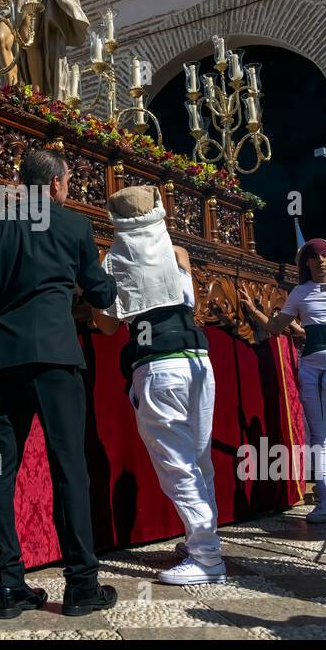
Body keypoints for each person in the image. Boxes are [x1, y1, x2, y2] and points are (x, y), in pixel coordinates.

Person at [0, 149, 118, 618]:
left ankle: (9, 587)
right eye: (68, 180)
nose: (68, 187)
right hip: (56, 357)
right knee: (69, 467)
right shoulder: (74, 227)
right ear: (53, 184)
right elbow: (102, 293)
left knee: (0, 469)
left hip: (5, 359)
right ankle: (81, 585)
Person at [92, 185, 226, 585]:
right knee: (200, 459)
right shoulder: (178, 252)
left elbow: (107, 324)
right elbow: (192, 304)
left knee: (177, 465)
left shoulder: (112, 261)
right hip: (199, 362)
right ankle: (204, 541)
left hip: (158, 367)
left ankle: (207, 557)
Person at [241, 239, 326, 524]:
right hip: (311, 368)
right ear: (307, 263)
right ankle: (324, 502)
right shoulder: (300, 292)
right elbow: (277, 326)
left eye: (324, 255)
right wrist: (253, 312)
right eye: (313, 257)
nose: (319, 261)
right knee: (320, 437)